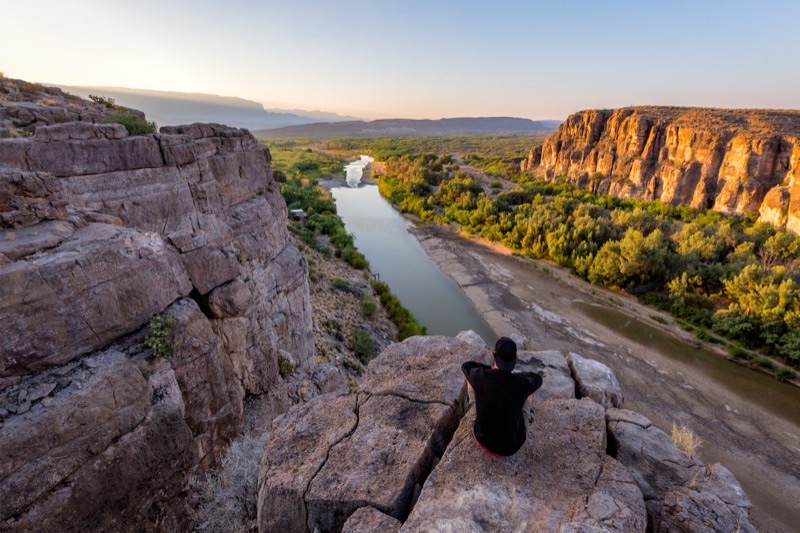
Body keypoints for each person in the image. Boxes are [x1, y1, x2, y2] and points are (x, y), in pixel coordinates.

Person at [461, 337, 543, 457]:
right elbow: (537, 379)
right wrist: (520, 376)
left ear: (494, 355)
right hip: (512, 446)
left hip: (482, 440)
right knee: (530, 390)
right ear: (515, 360)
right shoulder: (521, 382)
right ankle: (527, 413)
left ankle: (473, 411)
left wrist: (489, 369)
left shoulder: (481, 376)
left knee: (470, 381)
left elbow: (466, 366)